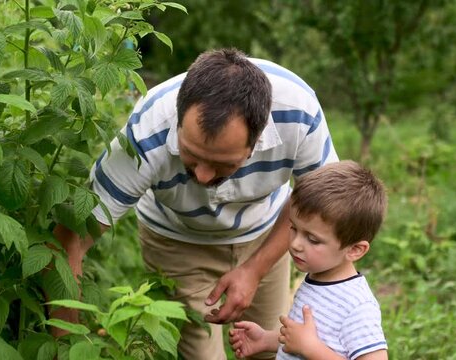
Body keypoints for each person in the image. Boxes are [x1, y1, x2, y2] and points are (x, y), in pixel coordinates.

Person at [51, 48, 338, 359]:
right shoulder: (148, 131)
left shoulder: (297, 113)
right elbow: (70, 241)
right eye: (191, 154)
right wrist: (66, 350)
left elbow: (316, 203)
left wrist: (255, 270)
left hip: (265, 233)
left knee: (270, 351)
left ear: (257, 141)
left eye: (222, 164)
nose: (201, 177)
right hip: (177, 240)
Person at [228, 160, 388, 360]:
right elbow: (313, 337)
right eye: (293, 228)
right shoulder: (319, 277)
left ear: (355, 249)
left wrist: (311, 349)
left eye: (312, 239)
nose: (295, 244)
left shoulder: (356, 305)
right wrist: (267, 340)